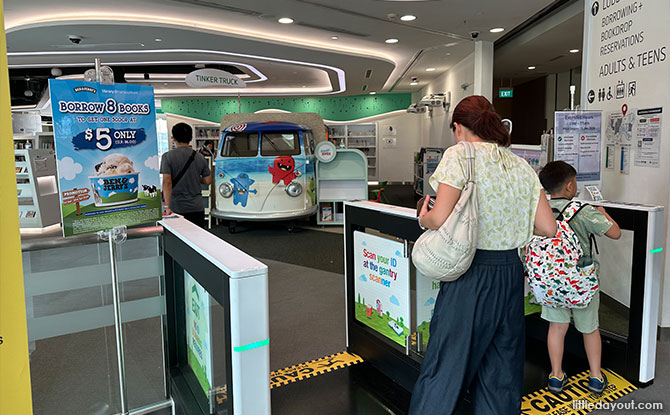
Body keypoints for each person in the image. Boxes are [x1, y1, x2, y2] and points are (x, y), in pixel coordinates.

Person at [409, 95, 557, 415]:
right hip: (512, 274)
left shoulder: (460, 155)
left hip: (472, 274)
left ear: (458, 127)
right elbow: (548, 227)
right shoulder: (519, 164)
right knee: (502, 371)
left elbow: (439, 217)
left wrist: (423, 217)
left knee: (446, 366)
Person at [537, 161, 621, 394]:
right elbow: (615, 233)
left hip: (550, 281)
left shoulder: (539, 210)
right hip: (582, 282)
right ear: (570, 186)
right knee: (590, 328)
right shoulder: (582, 211)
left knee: (556, 327)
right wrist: (604, 213)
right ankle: (595, 378)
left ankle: (555, 376)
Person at [160, 123, 211, 228]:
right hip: (197, 207)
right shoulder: (200, 157)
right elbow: (208, 181)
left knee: (178, 241)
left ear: (173, 138)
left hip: (176, 207)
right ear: (191, 138)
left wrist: (167, 206)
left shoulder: (167, 157)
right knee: (197, 239)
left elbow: (167, 182)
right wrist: (197, 178)